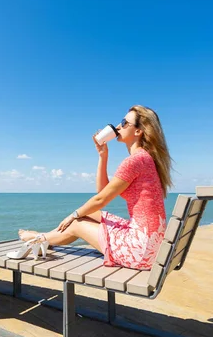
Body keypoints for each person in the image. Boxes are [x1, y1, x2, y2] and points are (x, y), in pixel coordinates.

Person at [18, 105, 173, 270]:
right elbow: (103, 191)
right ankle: (47, 238)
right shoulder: (145, 159)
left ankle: (39, 238)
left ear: (138, 131)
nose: (118, 126)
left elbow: (101, 199)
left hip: (140, 251)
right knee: (89, 212)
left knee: (77, 222)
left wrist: (72, 215)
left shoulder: (135, 161)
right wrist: (103, 155)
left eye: (124, 122)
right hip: (150, 245)